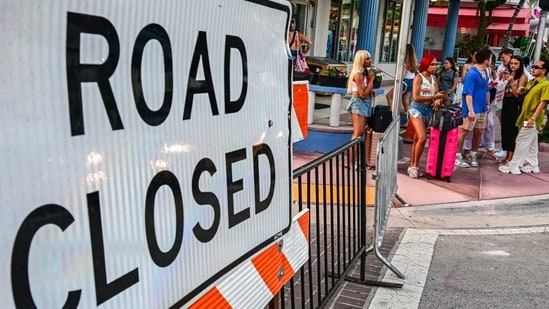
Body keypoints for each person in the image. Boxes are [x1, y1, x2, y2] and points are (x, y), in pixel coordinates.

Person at [499, 58, 549, 174]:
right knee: (532, 142)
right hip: (525, 116)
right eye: (533, 66)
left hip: (531, 118)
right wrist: (522, 89)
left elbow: (543, 102)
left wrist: (533, 118)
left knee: (521, 140)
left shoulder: (545, 84)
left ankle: (514, 165)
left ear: (544, 71)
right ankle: (532, 164)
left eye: (537, 67)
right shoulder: (532, 82)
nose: (533, 69)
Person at [407, 54, 447, 178]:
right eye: (432, 64)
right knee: (423, 137)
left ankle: (412, 164)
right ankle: (414, 166)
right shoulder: (419, 77)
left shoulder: (434, 78)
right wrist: (435, 97)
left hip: (428, 110)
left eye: (436, 64)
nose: (435, 67)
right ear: (426, 64)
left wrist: (438, 100)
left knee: (417, 139)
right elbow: (416, 97)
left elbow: (437, 94)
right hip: (417, 109)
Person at [455, 47, 492, 168]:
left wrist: (488, 103)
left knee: (479, 131)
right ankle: (457, 155)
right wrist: (470, 110)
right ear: (486, 60)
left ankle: (473, 154)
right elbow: (467, 93)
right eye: (490, 58)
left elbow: (486, 90)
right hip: (472, 107)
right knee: (464, 130)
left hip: (482, 106)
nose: (491, 61)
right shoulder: (472, 73)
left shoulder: (486, 72)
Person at [345, 50, 376, 166]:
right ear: (361, 61)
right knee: (358, 133)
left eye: (370, 58)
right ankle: (351, 162)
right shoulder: (358, 74)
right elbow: (362, 93)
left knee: (361, 133)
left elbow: (364, 91)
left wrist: (370, 89)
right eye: (367, 59)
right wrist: (371, 80)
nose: (370, 61)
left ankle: (355, 160)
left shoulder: (363, 74)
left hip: (365, 102)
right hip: (359, 102)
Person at [499, 56, 527, 165]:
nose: (513, 65)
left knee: (511, 131)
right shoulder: (509, 74)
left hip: (514, 105)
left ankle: (511, 157)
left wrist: (512, 81)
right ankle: (507, 155)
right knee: (505, 130)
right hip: (505, 103)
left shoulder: (522, 77)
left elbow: (517, 95)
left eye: (516, 63)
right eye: (511, 63)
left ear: (520, 65)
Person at [386, 44, 418, 122]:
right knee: (405, 101)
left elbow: (403, 74)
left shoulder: (404, 62)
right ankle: (410, 119)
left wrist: (397, 82)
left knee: (389, 96)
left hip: (404, 82)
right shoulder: (413, 62)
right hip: (411, 81)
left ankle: (392, 114)